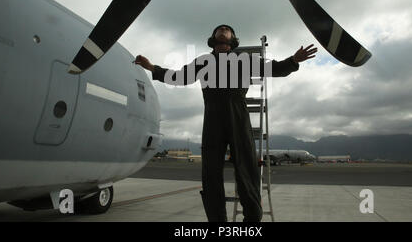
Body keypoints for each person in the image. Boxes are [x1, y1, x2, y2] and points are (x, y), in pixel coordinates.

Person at [134, 25, 317, 222]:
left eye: (227, 29)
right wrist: (152, 67)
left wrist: (293, 61)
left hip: (238, 118)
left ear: (233, 38)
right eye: (219, 29)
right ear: (213, 37)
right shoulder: (204, 61)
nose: (223, 30)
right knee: (210, 173)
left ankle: (252, 219)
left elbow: (274, 68)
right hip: (212, 120)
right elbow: (179, 77)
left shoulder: (244, 60)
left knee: (247, 169)